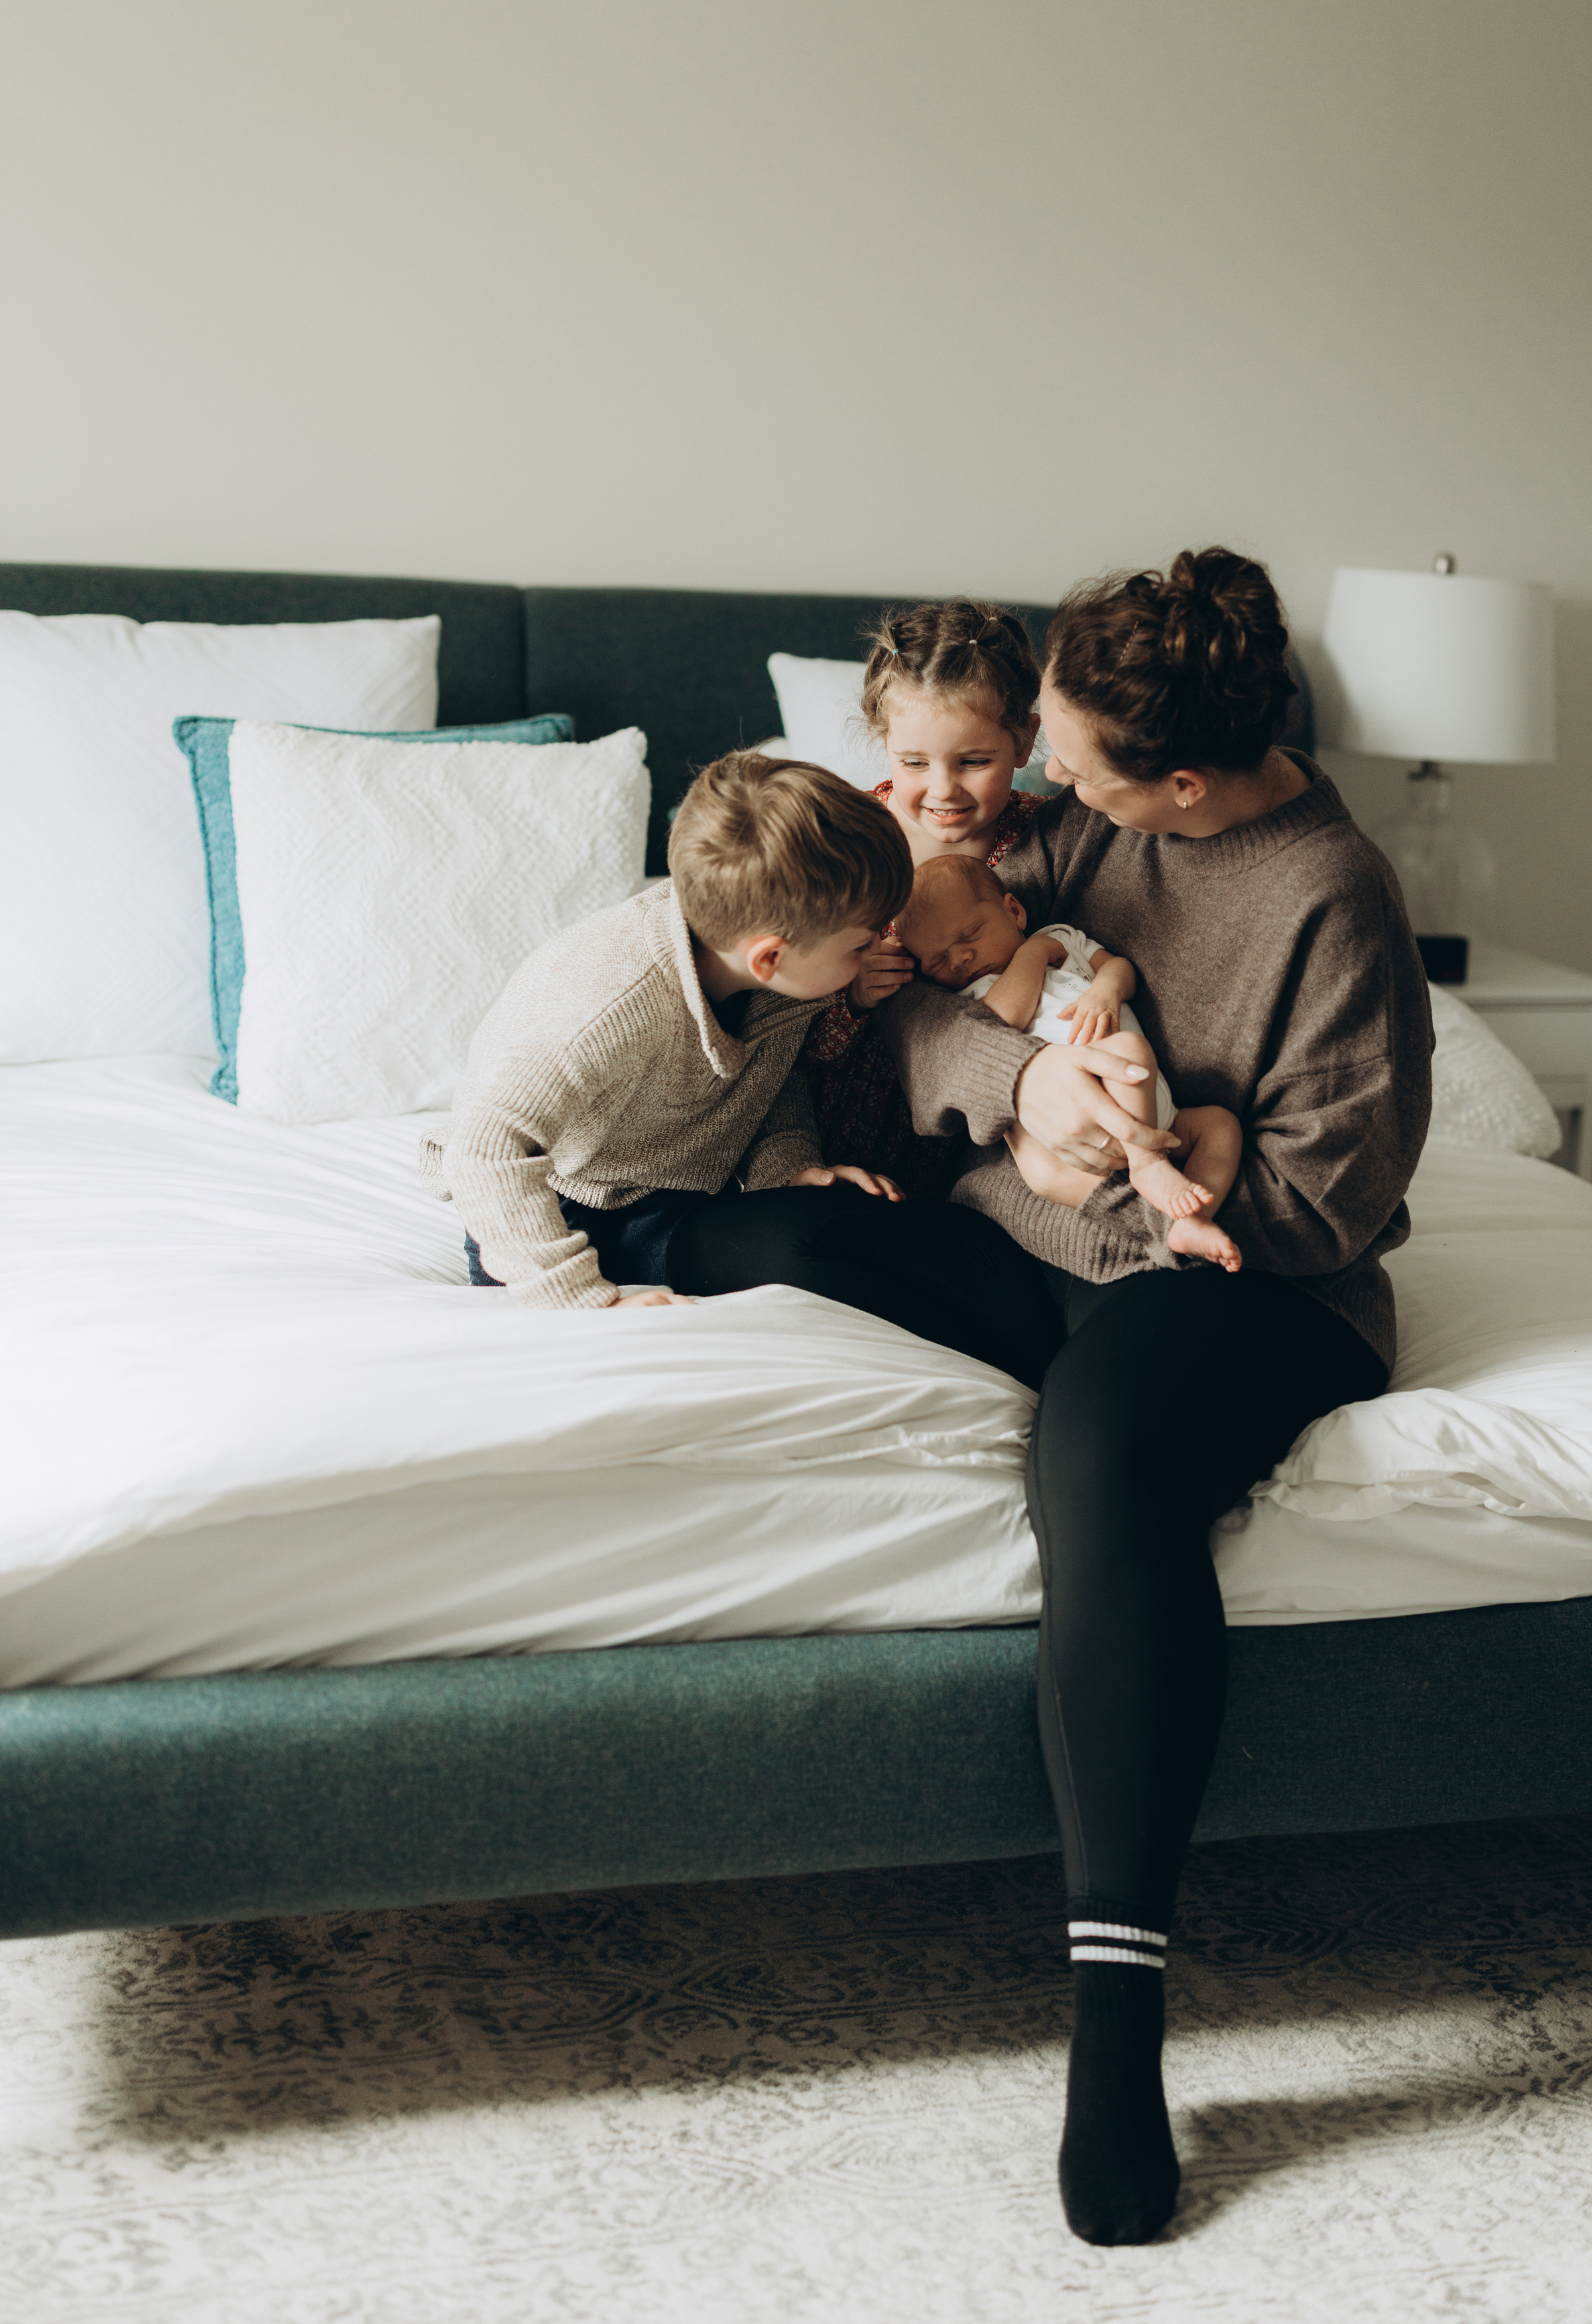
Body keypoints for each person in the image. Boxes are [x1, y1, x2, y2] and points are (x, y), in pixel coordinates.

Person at [875, 549, 1434, 2245]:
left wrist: (1122, 1178)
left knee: (1100, 1448)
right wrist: (1023, 1079)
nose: (1028, 775)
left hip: (1245, 1288)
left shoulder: (1332, 898)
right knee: (775, 1231)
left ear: (1180, 785)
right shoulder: (1068, 824)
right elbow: (913, 1003)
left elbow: (1325, 1202)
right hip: (1042, 1230)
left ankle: (1115, 2007)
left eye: (1062, 755)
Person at [420, 748, 1055, 1386]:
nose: (880, 953)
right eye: (862, 944)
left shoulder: (775, 970)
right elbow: (485, 1150)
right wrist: (588, 1301)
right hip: (560, 1213)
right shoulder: (607, 998)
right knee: (810, 1255)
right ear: (770, 958)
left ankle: (1051, 1347)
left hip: (677, 1189)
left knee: (888, 1226)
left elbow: (767, 1083)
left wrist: (788, 1167)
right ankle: (1019, 1372)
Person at [803, 599, 1051, 1191]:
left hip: (982, 1135)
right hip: (838, 1125)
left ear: (1024, 742)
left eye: (973, 761)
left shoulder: (1045, 843)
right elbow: (784, 1020)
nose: (944, 789)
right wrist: (854, 998)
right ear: (882, 740)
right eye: (914, 761)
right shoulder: (845, 842)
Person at [891, 853, 1243, 1265]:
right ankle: (1146, 1165)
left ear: (1014, 911)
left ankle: (1190, 1221)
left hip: (1151, 1105)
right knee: (1127, 1052)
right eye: (936, 961)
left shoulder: (1065, 938)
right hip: (1070, 1131)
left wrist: (1107, 989)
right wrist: (1034, 954)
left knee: (1220, 1125)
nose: (959, 959)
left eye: (970, 934)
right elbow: (1004, 1017)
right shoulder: (973, 992)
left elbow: (1118, 968)